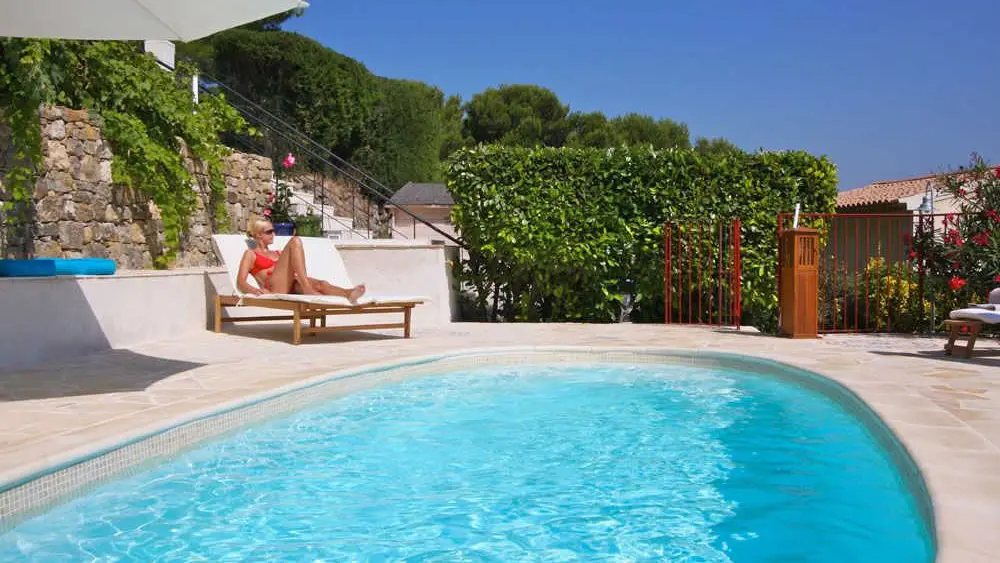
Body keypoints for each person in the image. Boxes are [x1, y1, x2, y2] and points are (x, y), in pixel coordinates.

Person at [237, 218, 366, 302]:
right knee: (295, 241)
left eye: (274, 231)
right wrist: (255, 291)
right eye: (269, 232)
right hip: (274, 287)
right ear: (258, 234)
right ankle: (307, 288)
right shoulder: (251, 254)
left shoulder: (277, 253)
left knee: (322, 284)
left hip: (291, 283)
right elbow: (240, 282)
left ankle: (348, 293)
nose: (274, 234)